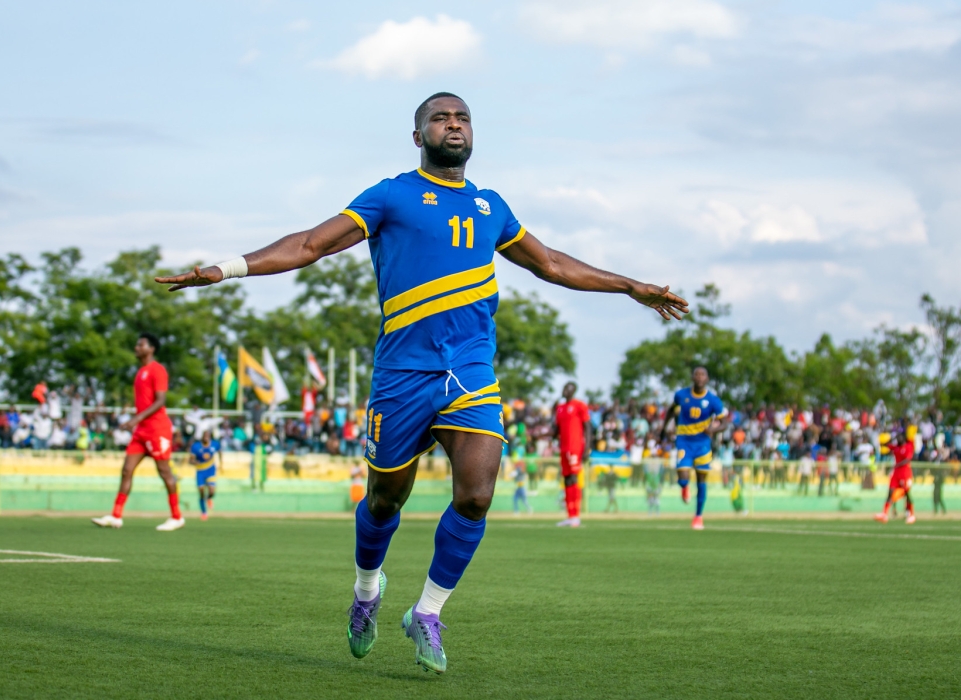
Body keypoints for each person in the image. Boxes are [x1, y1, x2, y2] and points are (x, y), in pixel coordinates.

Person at [154, 92, 687, 673]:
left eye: (461, 117)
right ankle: (366, 592)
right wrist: (226, 269)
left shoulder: (491, 206)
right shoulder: (391, 195)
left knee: (477, 494)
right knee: (385, 502)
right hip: (402, 375)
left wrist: (632, 285)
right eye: (440, 117)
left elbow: (553, 264)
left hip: (470, 370)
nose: (453, 124)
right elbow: (311, 244)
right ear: (418, 137)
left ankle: (428, 612)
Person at [91, 333, 185, 531]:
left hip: (157, 429)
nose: (136, 347)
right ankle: (116, 516)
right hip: (141, 431)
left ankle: (177, 517)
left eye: (140, 344)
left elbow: (160, 401)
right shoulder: (141, 372)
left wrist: (136, 419)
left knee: (164, 471)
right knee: (126, 470)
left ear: (151, 349)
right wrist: (136, 421)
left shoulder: (157, 370)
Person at [661, 367, 728, 530]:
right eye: (696, 374)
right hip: (684, 441)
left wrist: (712, 429)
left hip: (703, 444)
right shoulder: (681, 395)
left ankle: (698, 517)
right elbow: (671, 410)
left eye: (702, 374)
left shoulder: (713, 400)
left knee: (701, 480)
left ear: (707, 379)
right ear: (692, 377)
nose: (699, 377)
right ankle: (684, 487)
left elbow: (725, 423)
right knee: (683, 477)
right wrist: (663, 428)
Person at [554, 381, 591, 527]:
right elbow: (557, 429)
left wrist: (587, 447)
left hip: (575, 447)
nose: (564, 391)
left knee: (574, 479)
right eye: (564, 388)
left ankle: (576, 516)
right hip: (563, 448)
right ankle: (570, 516)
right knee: (567, 479)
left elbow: (587, 427)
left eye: (567, 389)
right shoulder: (560, 408)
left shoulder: (579, 405)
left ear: (573, 391)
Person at [875, 428, 916, 524]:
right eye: (897, 438)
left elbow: (908, 459)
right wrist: (888, 439)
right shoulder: (896, 448)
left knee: (907, 494)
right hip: (896, 474)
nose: (898, 439)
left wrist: (897, 465)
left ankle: (911, 514)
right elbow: (884, 445)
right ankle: (884, 514)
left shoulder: (908, 446)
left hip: (905, 474)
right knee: (890, 492)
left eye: (900, 437)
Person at [189, 430, 221, 521]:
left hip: (211, 470)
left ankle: (209, 498)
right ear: (202, 437)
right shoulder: (196, 446)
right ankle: (204, 512)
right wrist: (194, 462)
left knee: (211, 491)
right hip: (200, 471)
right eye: (204, 435)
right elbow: (190, 460)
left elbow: (220, 452)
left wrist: (221, 464)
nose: (206, 437)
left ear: (210, 437)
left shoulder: (215, 444)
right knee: (201, 491)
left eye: (208, 435)